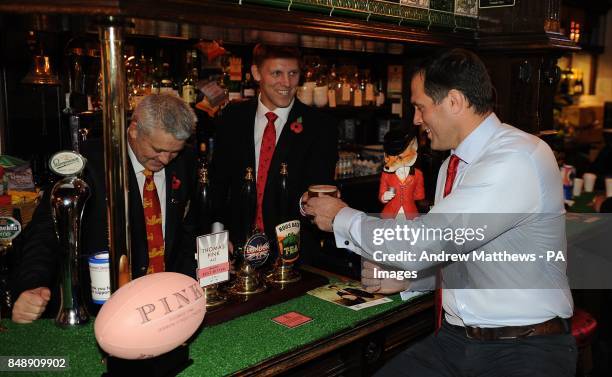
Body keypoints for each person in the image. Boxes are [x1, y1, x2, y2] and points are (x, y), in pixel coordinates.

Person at [305, 49, 576, 376]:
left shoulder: (516, 158)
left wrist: (340, 216)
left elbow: (422, 243)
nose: (416, 119)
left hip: (522, 349)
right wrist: (411, 281)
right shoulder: (453, 164)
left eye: (420, 107)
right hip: (456, 341)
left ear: (454, 102)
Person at [11, 94, 200, 324]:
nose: (166, 159)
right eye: (158, 149)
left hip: (165, 304)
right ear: (133, 129)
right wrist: (32, 286)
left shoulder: (185, 160)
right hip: (103, 308)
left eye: (174, 151)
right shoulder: (90, 164)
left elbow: (187, 228)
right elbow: (47, 230)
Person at [210, 43, 337, 265]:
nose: (286, 83)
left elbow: (318, 188)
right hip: (238, 251)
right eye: (277, 73)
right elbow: (218, 183)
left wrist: (307, 205)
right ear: (257, 73)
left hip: (292, 252)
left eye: (293, 73)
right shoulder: (233, 117)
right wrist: (217, 233)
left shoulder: (319, 126)